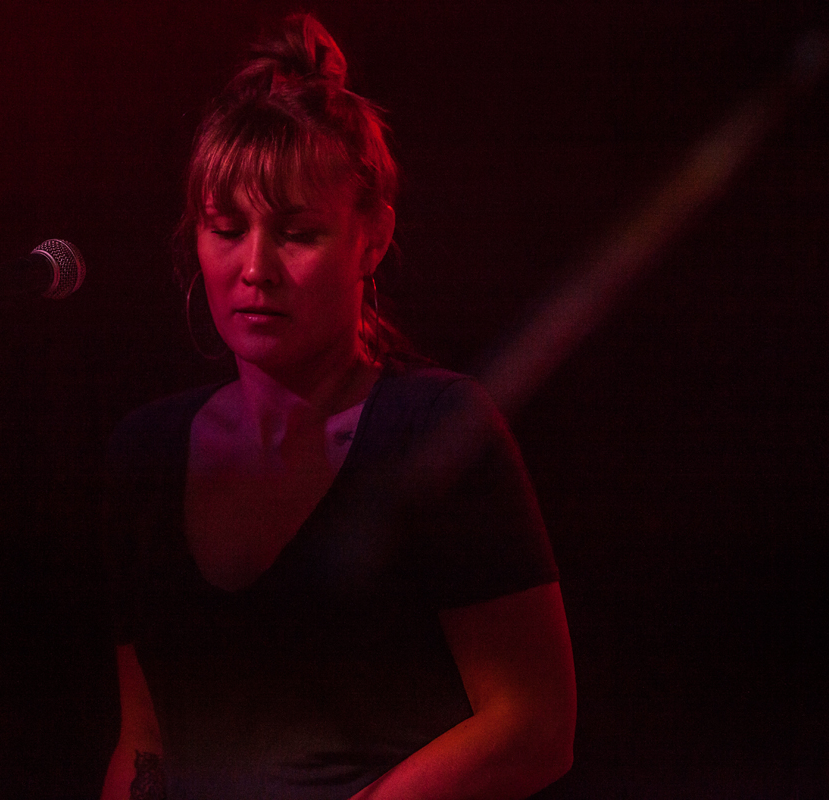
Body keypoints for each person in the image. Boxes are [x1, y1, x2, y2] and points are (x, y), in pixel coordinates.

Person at [101, 14, 575, 800]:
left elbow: (534, 723)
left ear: (373, 236)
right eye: (226, 228)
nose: (255, 267)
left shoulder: (434, 430)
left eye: (297, 233)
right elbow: (145, 743)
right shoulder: (145, 451)